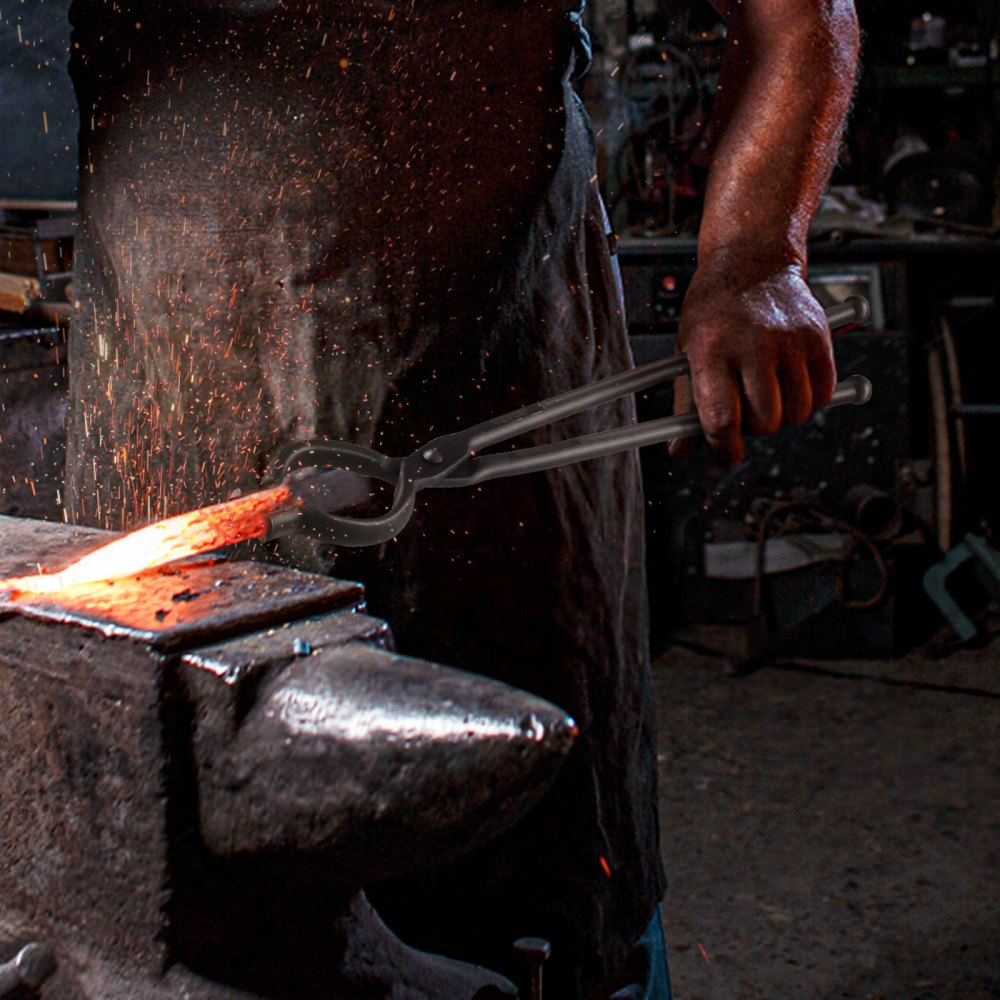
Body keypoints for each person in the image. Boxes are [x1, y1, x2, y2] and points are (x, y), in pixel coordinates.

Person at [64, 1, 858, 996]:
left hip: (498, 388)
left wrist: (753, 256)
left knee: (539, 872)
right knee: (174, 867)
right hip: (170, 378)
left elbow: (799, 16)